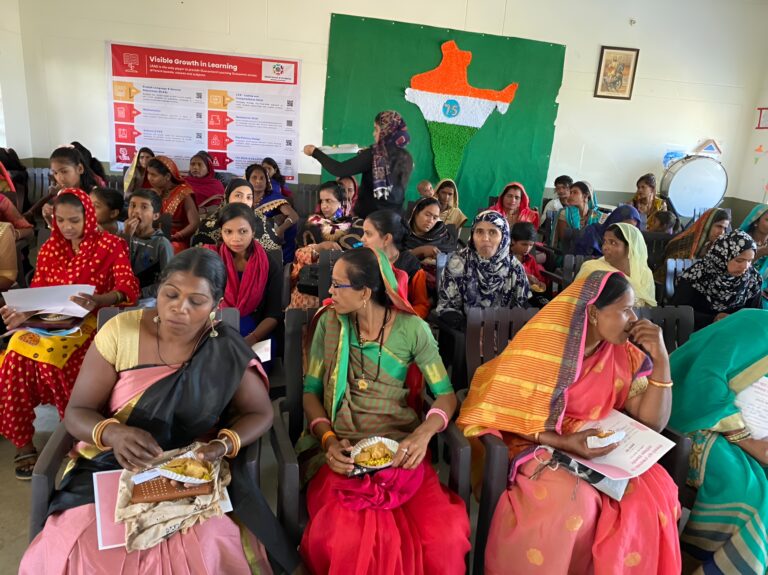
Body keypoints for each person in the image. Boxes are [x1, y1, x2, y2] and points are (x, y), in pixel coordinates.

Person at [20, 249, 300, 574]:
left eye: (197, 301)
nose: (180, 308)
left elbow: (260, 413)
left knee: (208, 544)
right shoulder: (121, 332)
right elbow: (78, 411)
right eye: (171, 294)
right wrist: (113, 433)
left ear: (216, 304)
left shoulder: (223, 347)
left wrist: (222, 445)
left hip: (190, 469)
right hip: (111, 463)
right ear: (159, 289)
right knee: (87, 546)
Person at [458, 271, 682, 575]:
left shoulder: (623, 354)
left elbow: (652, 423)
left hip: (598, 444)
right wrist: (564, 442)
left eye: (635, 310)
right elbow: (496, 407)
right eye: (626, 310)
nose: (634, 319)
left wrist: (662, 360)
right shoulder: (544, 346)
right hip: (538, 441)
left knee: (655, 494)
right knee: (577, 505)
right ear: (593, 313)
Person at [297, 247, 471, 574]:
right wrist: (329, 441)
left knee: (443, 536)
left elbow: (446, 396)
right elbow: (311, 392)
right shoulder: (330, 324)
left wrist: (423, 435)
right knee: (348, 539)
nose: (330, 292)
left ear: (365, 293)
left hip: (399, 450)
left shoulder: (413, 330)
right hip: (342, 451)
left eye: (337, 285)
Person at [0, 189, 139, 479]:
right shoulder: (51, 248)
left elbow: (127, 289)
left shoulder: (111, 245)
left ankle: (75, 431)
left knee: (54, 358)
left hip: (91, 321)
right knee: (13, 355)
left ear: (89, 216)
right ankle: (24, 442)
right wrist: (22, 313)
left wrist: (99, 300)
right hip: (47, 320)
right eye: (60, 220)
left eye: (74, 220)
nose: (67, 227)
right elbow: (39, 292)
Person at [668, 309, 768, 575]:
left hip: (750, 432)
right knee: (747, 491)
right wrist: (748, 441)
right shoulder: (754, 326)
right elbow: (703, 382)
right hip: (695, 419)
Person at [304, 110, 414, 218]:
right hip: (395, 217)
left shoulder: (374, 154)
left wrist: (314, 152)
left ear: (386, 131)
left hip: (373, 218)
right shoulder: (407, 157)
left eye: (376, 129)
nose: (374, 134)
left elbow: (339, 169)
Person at [207, 204, 283, 353]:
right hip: (216, 329)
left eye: (243, 231)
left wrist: (251, 339)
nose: (236, 238)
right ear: (221, 232)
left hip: (257, 334)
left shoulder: (268, 265)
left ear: (253, 231)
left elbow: (274, 314)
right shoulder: (211, 260)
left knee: (256, 360)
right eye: (228, 232)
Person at [437, 210, 531, 321]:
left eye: (492, 232)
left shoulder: (515, 268)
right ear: (472, 236)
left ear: (504, 237)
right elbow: (448, 307)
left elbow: (521, 307)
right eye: (479, 232)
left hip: (504, 327)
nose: (485, 238)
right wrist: (467, 328)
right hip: (464, 327)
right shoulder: (459, 262)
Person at [289, 181, 359, 310]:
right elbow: (299, 255)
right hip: (312, 283)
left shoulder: (357, 226)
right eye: (321, 201)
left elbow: (360, 259)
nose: (324, 206)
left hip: (345, 286)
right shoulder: (312, 224)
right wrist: (320, 247)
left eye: (329, 201)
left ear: (342, 202)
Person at [672, 230, 761, 329]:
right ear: (722, 256)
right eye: (739, 260)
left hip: (737, 333)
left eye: (749, 261)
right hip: (698, 332)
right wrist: (712, 319)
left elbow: (755, 314)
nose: (745, 267)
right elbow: (676, 312)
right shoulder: (696, 276)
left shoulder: (752, 280)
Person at [362, 209, 430, 318]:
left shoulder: (410, 266)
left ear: (386, 238)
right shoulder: (362, 260)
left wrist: (398, 320)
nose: (362, 239)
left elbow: (422, 305)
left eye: (368, 234)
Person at [192, 177, 281, 254]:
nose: (244, 201)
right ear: (227, 197)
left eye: (249, 197)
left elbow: (274, 254)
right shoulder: (208, 227)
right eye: (238, 195)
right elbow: (201, 260)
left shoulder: (262, 222)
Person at [576, 223, 657, 307]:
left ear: (630, 248)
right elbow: (581, 304)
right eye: (605, 241)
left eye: (613, 243)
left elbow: (649, 307)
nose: (605, 247)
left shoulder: (644, 273)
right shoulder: (593, 269)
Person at [26, 147, 101, 226]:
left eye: (64, 171)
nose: (60, 178)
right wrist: (48, 217)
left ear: (80, 169)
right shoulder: (62, 194)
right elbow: (60, 229)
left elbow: (98, 227)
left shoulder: (94, 195)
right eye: (55, 173)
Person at [654, 207, 730, 283]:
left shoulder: (715, 246)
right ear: (707, 224)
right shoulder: (683, 243)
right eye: (719, 226)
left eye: (724, 228)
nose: (722, 232)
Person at [124, 189, 174, 301]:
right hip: (121, 293)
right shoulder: (123, 236)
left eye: (144, 207)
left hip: (148, 299)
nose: (136, 211)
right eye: (132, 205)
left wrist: (142, 293)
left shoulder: (161, 243)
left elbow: (168, 281)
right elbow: (118, 267)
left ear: (155, 216)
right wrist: (126, 237)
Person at [146, 156, 199, 253]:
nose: (149, 178)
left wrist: (175, 237)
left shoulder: (183, 193)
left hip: (175, 241)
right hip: (153, 236)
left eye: (153, 175)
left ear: (167, 176)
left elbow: (194, 223)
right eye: (148, 173)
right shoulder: (153, 192)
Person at [247, 163, 299, 263]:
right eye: (254, 177)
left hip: (270, 246)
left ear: (267, 181)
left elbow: (294, 216)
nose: (258, 181)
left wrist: (279, 230)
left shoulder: (273, 197)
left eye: (262, 178)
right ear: (248, 180)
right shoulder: (243, 198)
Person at [552, 181, 605, 253]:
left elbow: (602, 240)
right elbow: (564, 241)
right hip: (570, 253)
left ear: (585, 196)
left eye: (575, 192)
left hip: (594, 253)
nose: (571, 195)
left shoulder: (597, 216)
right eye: (570, 192)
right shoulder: (565, 213)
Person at [574, 204, 641, 257]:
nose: (628, 232)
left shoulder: (632, 243)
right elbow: (579, 261)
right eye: (624, 227)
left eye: (632, 229)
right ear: (614, 221)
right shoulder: (590, 234)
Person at [739, 203, 768, 309]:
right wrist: (762, 252)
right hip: (743, 288)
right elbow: (737, 268)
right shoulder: (741, 241)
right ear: (756, 222)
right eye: (767, 220)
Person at [510, 222, 547, 294]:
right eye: (524, 244)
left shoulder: (530, 259)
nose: (527, 248)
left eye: (531, 245)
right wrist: (525, 277)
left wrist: (540, 284)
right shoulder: (505, 259)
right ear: (513, 241)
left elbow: (539, 278)